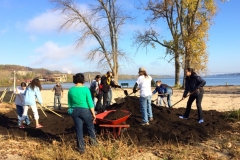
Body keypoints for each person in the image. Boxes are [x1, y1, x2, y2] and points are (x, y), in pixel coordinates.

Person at [68, 73, 97, 153]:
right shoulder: (86, 89)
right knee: (90, 128)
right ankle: (94, 145)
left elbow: (69, 104)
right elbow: (90, 103)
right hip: (85, 111)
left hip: (74, 111)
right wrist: (93, 114)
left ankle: (81, 149)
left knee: (78, 130)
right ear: (82, 80)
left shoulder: (71, 90)